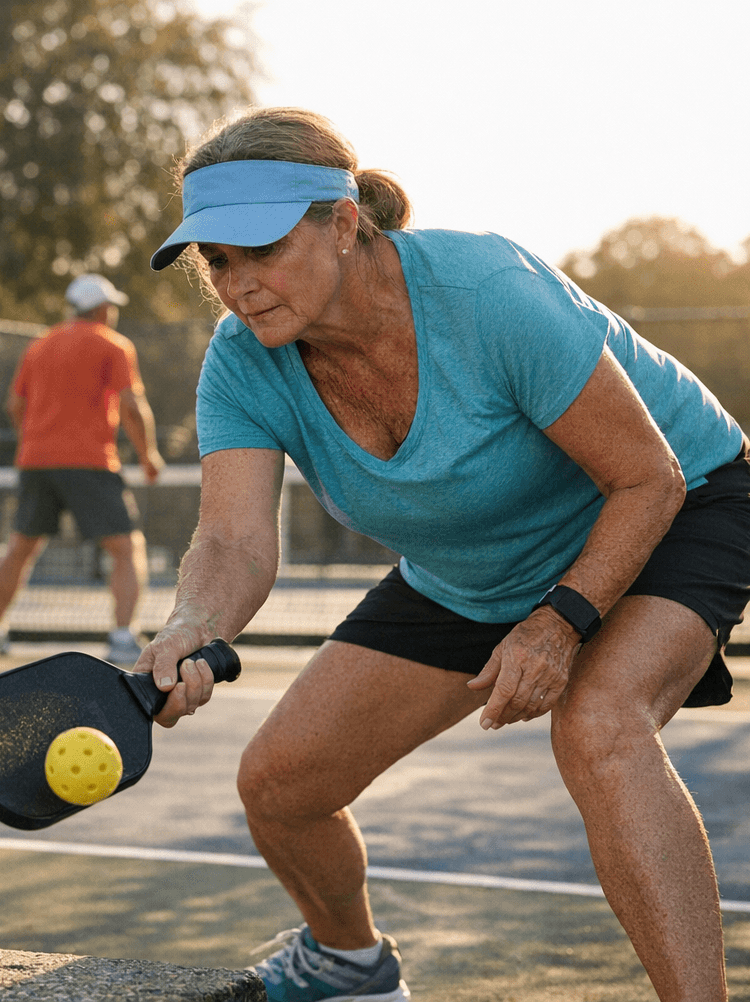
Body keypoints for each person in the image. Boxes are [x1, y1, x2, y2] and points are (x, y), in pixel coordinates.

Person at [140, 106, 750, 1002]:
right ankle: (350, 965)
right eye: (216, 261)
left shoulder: (485, 292)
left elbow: (646, 479)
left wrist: (560, 623)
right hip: (473, 572)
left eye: (259, 249)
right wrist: (193, 621)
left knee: (599, 726)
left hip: (676, 504)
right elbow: (233, 538)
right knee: (280, 784)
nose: (238, 285)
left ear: (342, 223)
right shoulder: (242, 361)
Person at [0, 274, 165, 665]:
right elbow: (131, 405)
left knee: (19, 549)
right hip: (90, 463)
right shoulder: (113, 344)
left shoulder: (39, 345)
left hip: (36, 463)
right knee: (127, 549)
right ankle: (121, 635)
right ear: (100, 309)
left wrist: (35, 439)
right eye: (110, 306)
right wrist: (149, 457)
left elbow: (15, 406)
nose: (112, 313)